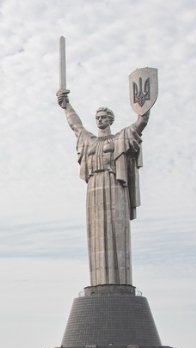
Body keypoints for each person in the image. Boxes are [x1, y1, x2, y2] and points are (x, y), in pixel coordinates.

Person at [57, 88, 149, 286]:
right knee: (97, 233)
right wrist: (66, 106)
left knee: (117, 231)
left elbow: (140, 125)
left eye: (103, 117)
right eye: (97, 117)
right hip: (94, 187)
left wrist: (144, 108)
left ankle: (119, 282)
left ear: (110, 120)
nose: (99, 120)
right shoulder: (89, 141)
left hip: (115, 184)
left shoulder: (120, 138)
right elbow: (76, 126)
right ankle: (99, 283)